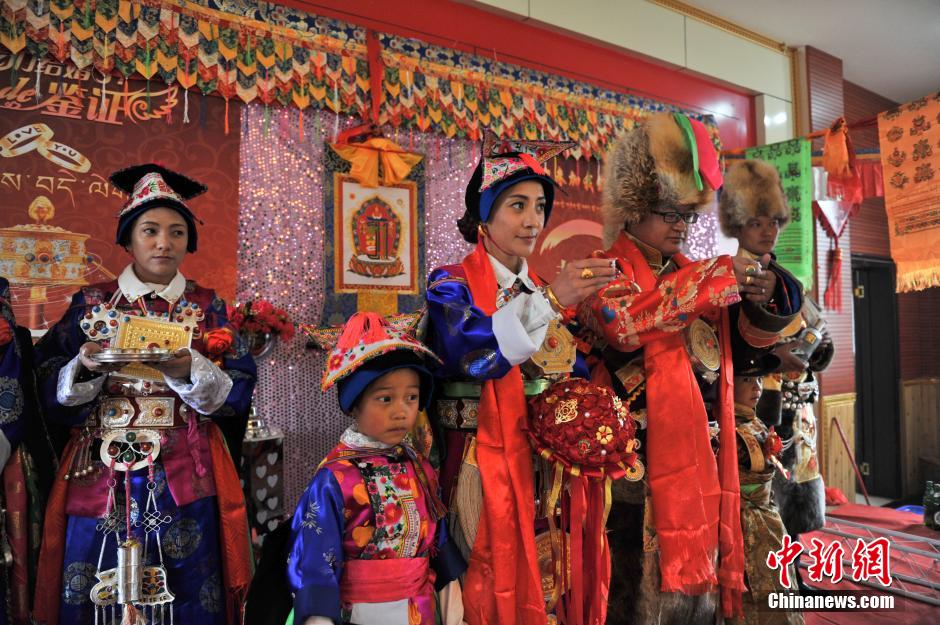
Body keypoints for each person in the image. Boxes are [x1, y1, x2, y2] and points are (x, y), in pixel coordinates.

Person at [32, 164, 255, 625]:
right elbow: (48, 381)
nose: (163, 243)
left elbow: (238, 390)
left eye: (176, 232)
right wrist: (86, 365)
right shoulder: (91, 303)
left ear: (188, 242)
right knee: (93, 578)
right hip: (98, 466)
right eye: (150, 230)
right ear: (128, 240)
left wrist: (187, 367)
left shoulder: (208, 306)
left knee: (190, 584)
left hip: (185, 465)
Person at [577, 112, 762, 624]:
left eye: (689, 215)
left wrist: (766, 296)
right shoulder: (600, 269)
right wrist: (714, 279)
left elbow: (741, 352)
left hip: (701, 458)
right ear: (634, 209)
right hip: (631, 467)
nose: (681, 226)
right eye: (669, 212)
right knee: (632, 594)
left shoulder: (696, 278)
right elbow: (627, 325)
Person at [424, 133, 615, 625]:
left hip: (539, 465)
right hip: (471, 459)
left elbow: (566, 372)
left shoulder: (539, 286)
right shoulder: (451, 284)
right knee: (477, 583)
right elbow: (470, 352)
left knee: (546, 575)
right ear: (483, 217)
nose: (533, 220)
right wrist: (552, 302)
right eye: (516, 205)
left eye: (539, 206)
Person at [288, 312, 464, 625]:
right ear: (354, 405)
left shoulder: (421, 468)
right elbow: (315, 560)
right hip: (357, 614)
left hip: (418, 611)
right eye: (385, 399)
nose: (401, 411)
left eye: (412, 397)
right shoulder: (336, 478)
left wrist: (453, 610)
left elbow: (440, 544)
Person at [718, 160, 833, 594]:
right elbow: (723, 349)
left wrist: (816, 349)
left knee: (796, 494)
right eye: (755, 222)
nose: (767, 231)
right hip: (756, 404)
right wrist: (772, 360)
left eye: (773, 222)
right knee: (762, 499)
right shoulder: (729, 278)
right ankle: (766, 580)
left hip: (797, 407)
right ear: (737, 225)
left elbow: (818, 335)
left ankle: (792, 571)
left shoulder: (790, 281)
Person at [730, 352, 804, 625]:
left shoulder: (754, 421)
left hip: (767, 517)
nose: (756, 387)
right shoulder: (725, 427)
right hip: (743, 523)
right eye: (747, 379)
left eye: (759, 379)